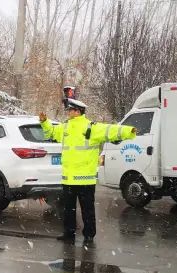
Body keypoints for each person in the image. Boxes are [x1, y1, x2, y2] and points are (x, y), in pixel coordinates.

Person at [38, 98, 136, 246]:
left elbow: (111, 130)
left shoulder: (91, 127)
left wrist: (129, 131)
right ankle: (71, 234)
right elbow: (51, 132)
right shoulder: (65, 128)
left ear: (78, 111)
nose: (68, 112)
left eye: (70, 110)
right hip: (70, 179)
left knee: (84, 209)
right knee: (72, 209)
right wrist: (44, 122)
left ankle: (86, 235)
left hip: (84, 179)